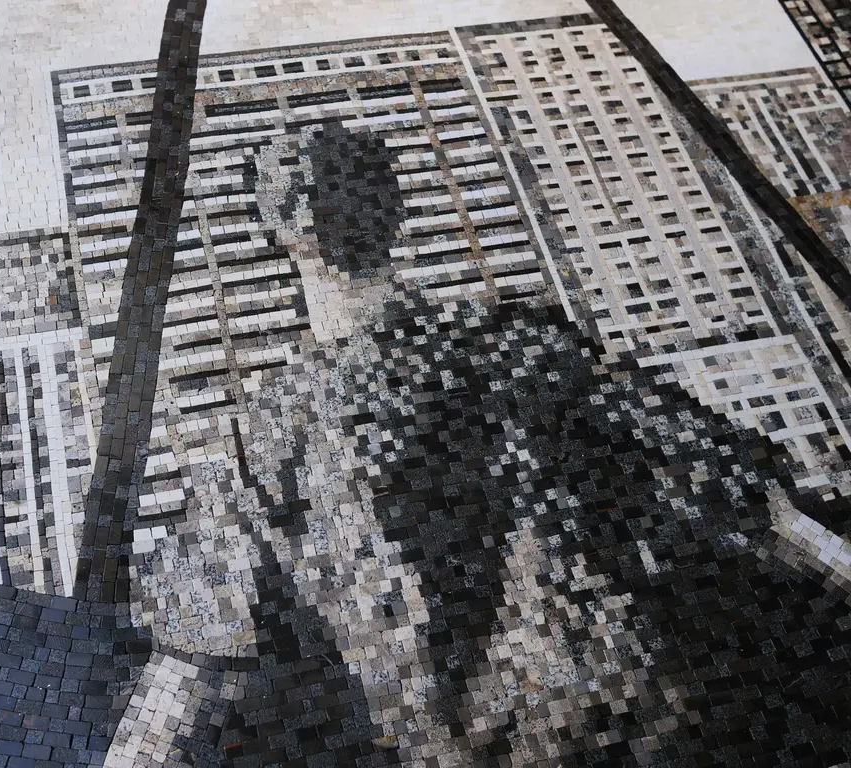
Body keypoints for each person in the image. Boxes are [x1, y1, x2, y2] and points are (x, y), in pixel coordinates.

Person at [108, 119, 851, 767]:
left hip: (509, 739)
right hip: (653, 711)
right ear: (395, 212)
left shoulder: (269, 432)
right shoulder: (522, 341)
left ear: (279, 230)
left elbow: (189, 672)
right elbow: (738, 491)